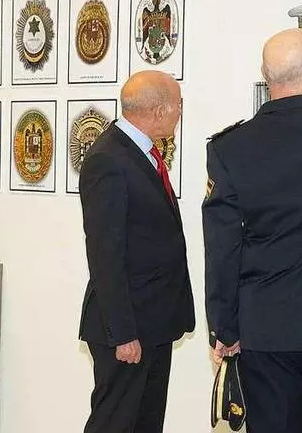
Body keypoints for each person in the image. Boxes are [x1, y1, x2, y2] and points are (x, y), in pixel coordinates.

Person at [202, 28, 302, 433]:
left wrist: (224, 328)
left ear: (267, 78)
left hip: (267, 327)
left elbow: (222, 249)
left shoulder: (230, 148)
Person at [78, 70, 195, 432]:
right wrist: (123, 333)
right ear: (159, 111)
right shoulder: (108, 159)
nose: (180, 112)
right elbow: (105, 254)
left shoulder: (141, 153)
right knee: (114, 424)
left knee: (146, 424)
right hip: (129, 328)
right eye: (178, 105)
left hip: (154, 323)